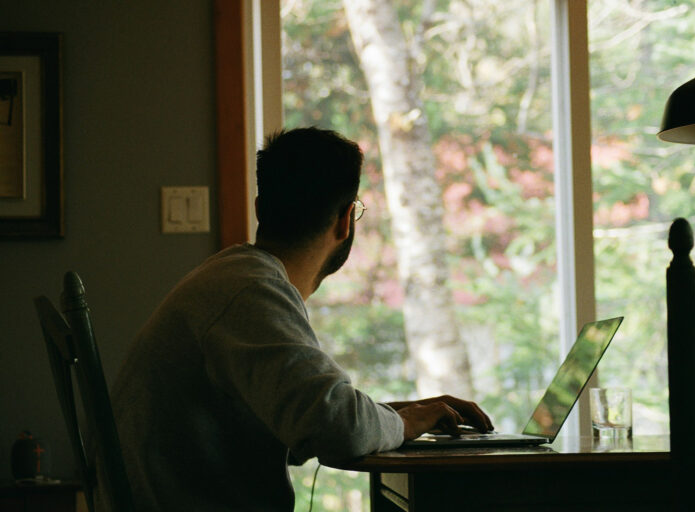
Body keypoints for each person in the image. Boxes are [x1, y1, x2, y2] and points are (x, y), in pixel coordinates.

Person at [106, 127, 493, 511]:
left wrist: (400, 416)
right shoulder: (249, 291)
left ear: (260, 209)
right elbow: (338, 430)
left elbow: (308, 417)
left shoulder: (233, 277)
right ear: (345, 221)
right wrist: (405, 425)